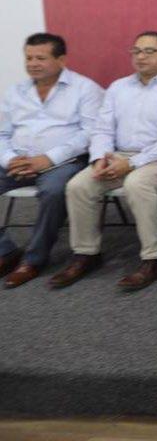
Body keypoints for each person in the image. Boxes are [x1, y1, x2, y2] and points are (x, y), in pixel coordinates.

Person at [51, 31, 157, 291]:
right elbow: (102, 128)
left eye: (149, 51)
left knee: (137, 184)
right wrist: (99, 158)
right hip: (117, 155)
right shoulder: (118, 87)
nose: (141, 56)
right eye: (136, 51)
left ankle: (155, 258)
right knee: (78, 186)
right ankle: (86, 254)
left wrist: (133, 163)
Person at [0, 33, 103, 288]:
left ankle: (33, 260)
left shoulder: (85, 89)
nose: (33, 64)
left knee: (54, 191)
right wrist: (10, 159)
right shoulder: (15, 91)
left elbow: (90, 133)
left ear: (61, 60)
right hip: (18, 160)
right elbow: (2, 133)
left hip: (64, 161)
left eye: (40, 58)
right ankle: (5, 251)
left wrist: (48, 159)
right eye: (29, 58)